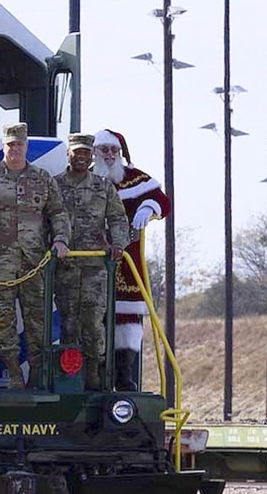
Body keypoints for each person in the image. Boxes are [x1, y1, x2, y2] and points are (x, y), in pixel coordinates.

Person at [0, 122, 70, 389]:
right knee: (4, 321)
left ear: (26, 146)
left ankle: (38, 374)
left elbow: (58, 213)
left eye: (19, 144)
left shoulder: (43, 179)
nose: (15, 149)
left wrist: (60, 239)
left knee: (38, 321)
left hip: (35, 263)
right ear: (4, 146)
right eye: (10, 144)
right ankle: (13, 373)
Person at [93, 129, 171, 391]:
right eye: (104, 150)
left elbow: (163, 201)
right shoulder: (86, 178)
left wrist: (149, 208)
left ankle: (124, 375)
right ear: (95, 151)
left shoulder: (135, 179)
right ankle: (97, 377)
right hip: (90, 261)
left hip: (127, 261)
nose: (110, 155)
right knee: (93, 320)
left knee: (127, 322)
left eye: (114, 150)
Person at [54, 133, 129, 390]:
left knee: (94, 323)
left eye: (86, 154)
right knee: (69, 323)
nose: (82, 158)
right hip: (65, 268)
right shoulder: (55, 185)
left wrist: (118, 244)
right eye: (77, 153)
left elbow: (119, 219)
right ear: (69, 155)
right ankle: (69, 378)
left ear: (91, 157)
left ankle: (94, 372)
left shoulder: (103, 187)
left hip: (95, 268)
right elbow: (46, 219)